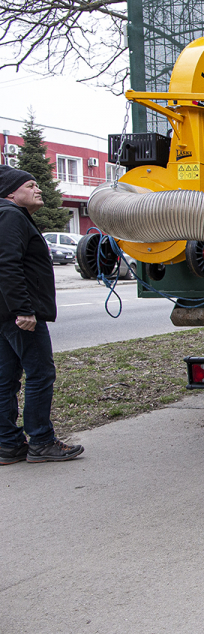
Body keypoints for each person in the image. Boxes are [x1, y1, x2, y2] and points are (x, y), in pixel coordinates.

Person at [0, 165, 84, 465]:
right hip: (19, 314)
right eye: (31, 185)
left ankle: (8, 445)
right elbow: (7, 265)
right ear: (11, 192)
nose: (38, 189)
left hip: (6, 314)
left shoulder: (8, 216)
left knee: (7, 378)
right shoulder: (10, 216)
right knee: (40, 374)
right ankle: (42, 442)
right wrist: (23, 309)